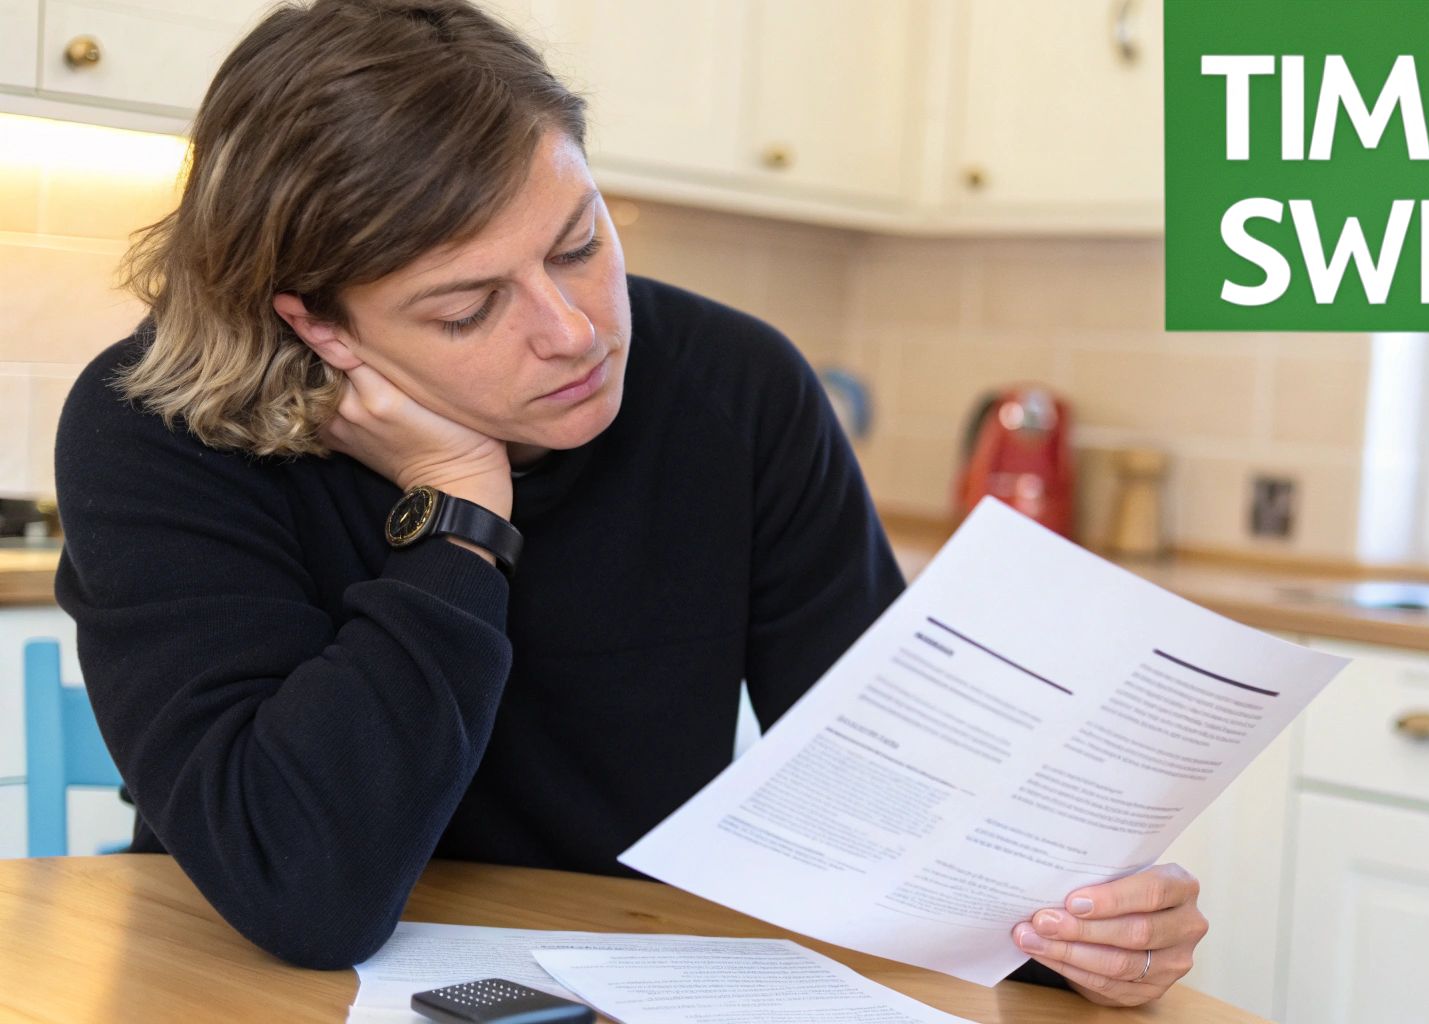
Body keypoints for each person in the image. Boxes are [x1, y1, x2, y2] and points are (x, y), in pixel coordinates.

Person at [52, 0, 1207, 1008]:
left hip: (626, 983)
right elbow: (303, 892)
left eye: (577, 244)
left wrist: (1075, 934)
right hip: (239, 993)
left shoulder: (735, 388)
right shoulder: (155, 430)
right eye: (466, 310)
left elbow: (898, 812)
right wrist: (457, 513)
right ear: (316, 325)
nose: (573, 332)